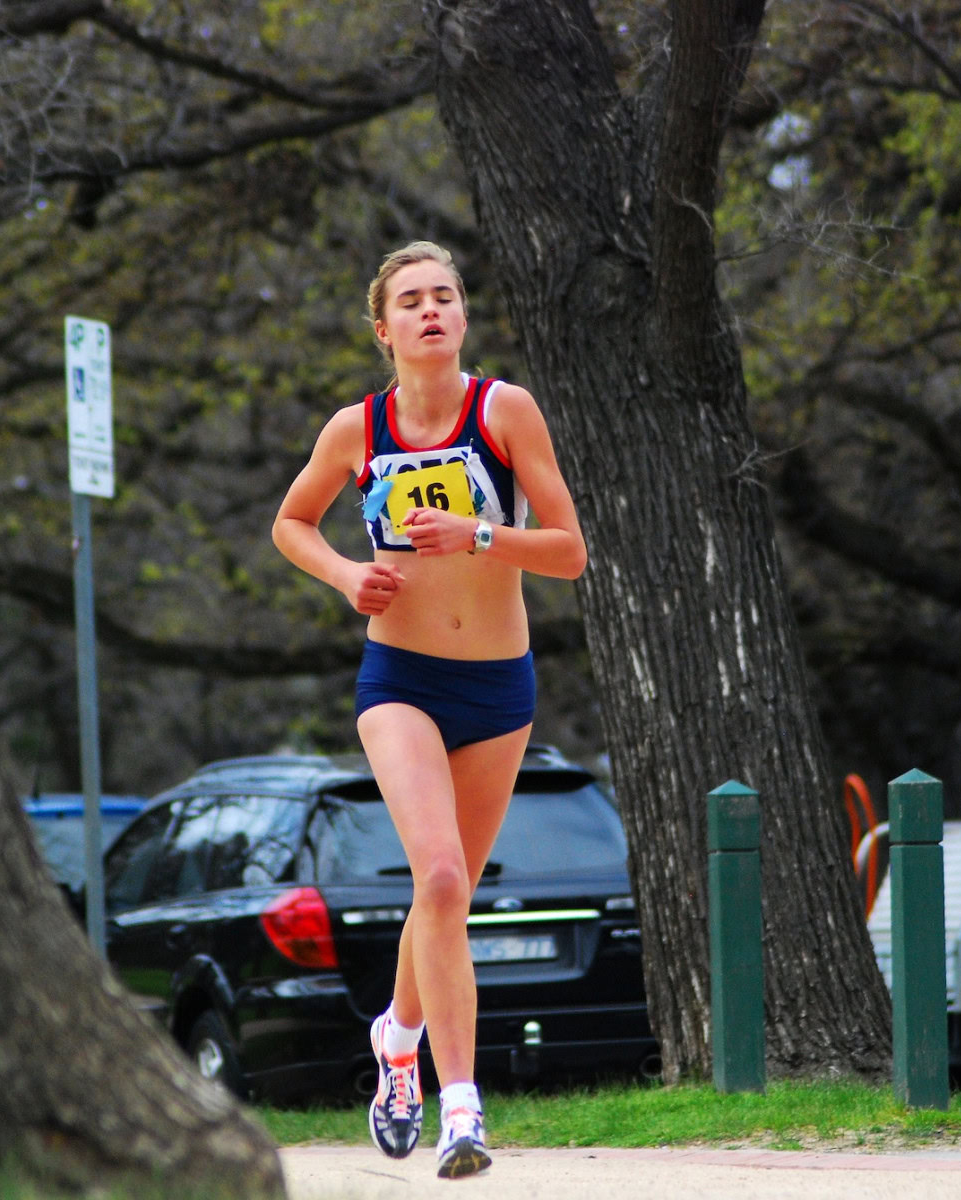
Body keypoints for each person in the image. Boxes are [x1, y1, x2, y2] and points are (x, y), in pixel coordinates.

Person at [272, 241, 587, 1179]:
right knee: (442, 879)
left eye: (444, 296)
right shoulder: (355, 429)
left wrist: (481, 534)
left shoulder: (504, 411)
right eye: (410, 301)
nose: (430, 311)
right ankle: (463, 1112)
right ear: (384, 329)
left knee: (442, 894)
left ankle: (396, 1039)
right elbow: (292, 522)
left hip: (498, 687)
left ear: (461, 318)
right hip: (400, 679)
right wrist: (344, 574)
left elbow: (569, 550)